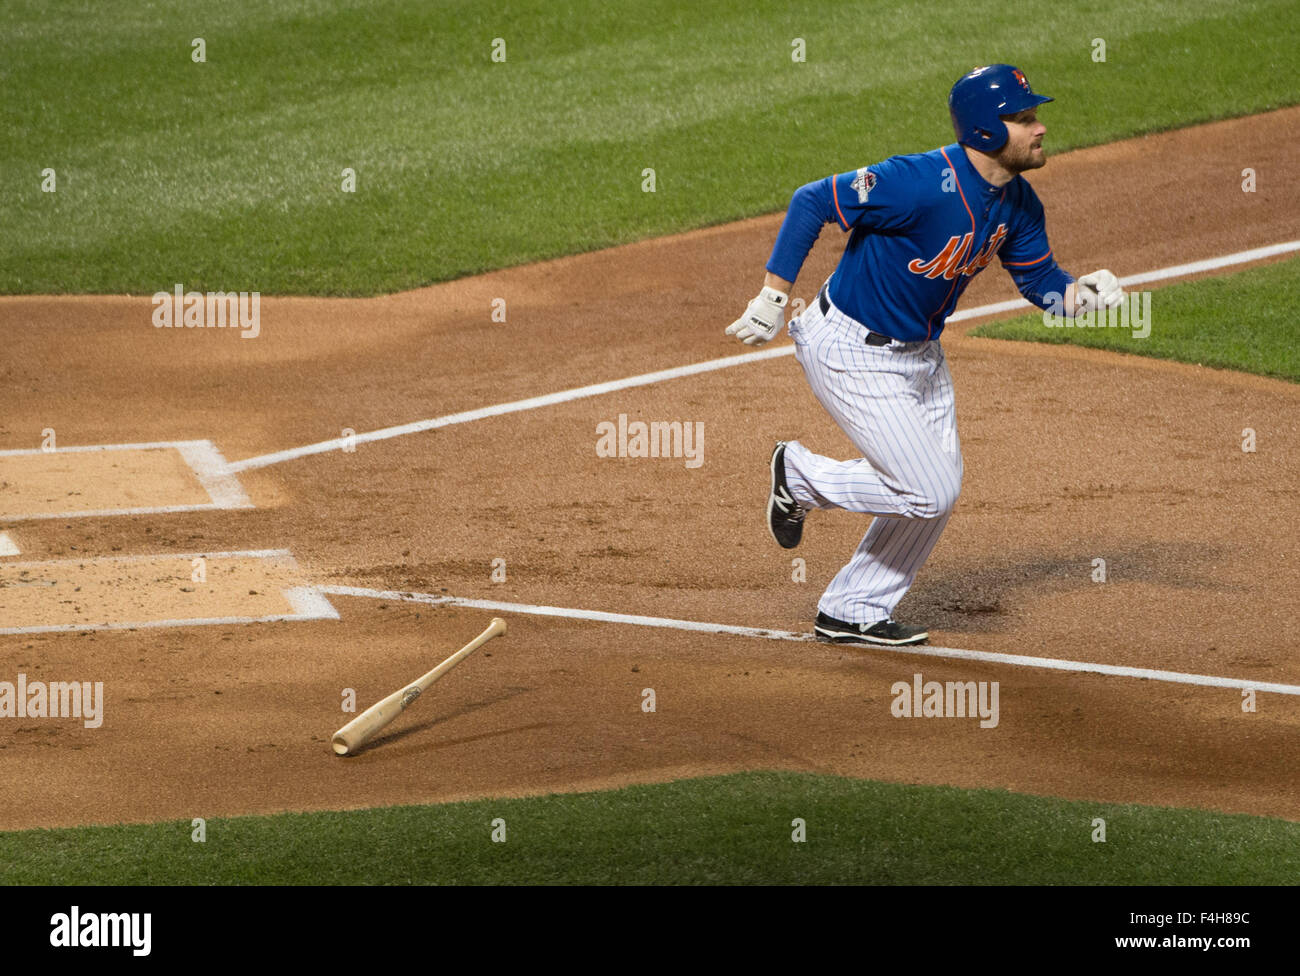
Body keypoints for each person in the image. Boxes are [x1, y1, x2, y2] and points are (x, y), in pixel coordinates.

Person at [725, 64, 1125, 646]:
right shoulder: (917, 181)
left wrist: (1083, 297)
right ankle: (801, 475)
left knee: (938, 491)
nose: (1040, 128)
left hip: (921, 357)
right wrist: (772, 295)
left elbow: (1041, 283)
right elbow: (812, 200)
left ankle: (853, 609)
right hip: (850, 349)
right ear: (987, 132)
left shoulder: (1019, 204)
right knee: (928, 489)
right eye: (1025, 118)